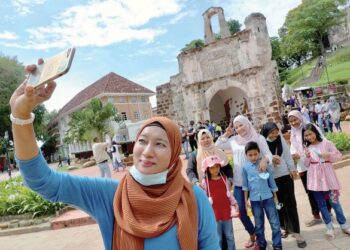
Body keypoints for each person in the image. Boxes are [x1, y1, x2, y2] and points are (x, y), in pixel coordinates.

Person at [10, 62, 220, 249]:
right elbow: (42, 182)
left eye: (160, 144)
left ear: (174, 154)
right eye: (142, 141)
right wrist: (21, 117)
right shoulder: (111, 196)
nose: (147, 151)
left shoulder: (193, 199)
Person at [215, 115, 272, 248]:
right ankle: (253, 233)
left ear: (247, 123)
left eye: (241, 125)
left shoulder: (258, 138)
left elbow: (268, 153)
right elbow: (218, 145)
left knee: (258, 213)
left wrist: (265, 160)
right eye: (236, 127)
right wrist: (226, 134)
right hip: (239, 183)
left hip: (255, 182)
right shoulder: (234, 140)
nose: (239, 129)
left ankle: (260, 241)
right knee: (240, 211)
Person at [260, 122, 307, 248]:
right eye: (272, 133)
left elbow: (286, 155)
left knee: (291, 203)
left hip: (285, 175)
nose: (275, 135)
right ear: (266, 132)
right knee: (278, 204)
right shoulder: (262, 142)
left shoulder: (280, 139)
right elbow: (260, 159)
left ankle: (296, 232)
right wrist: (270, 159)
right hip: (271, 178)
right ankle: (282, 227)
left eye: (276, 132)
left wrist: (292, 169)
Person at [303, 123, 350, 240]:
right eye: (306, 136)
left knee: (335, 203)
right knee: (321, 205)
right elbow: (306, 164)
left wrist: (328, 155)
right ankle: (329, 227)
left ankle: (344, 225)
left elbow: (338, 156)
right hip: (315, 182)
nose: (309, 137)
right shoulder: (307, 148)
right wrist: (307, 156)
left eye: (310, 134)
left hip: (329, 180)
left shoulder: (327, 143)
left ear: (315, 132)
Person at [288, 110, 331, 227]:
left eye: (295, 119)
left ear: (300, 117)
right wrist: (294, 153)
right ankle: (316, 215)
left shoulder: (310, 127)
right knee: (310, 192)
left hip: (316, 164)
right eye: (291, 121)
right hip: (303, 166)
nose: (293, 123)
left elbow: (322, 140)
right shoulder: (293, 133)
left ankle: (328, 211)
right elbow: (292, 146)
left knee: (323, 188)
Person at [242, 141, 282, 250]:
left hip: (268, 198)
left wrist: (276, 198)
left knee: (275, 223)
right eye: (250, 155)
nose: (253, 157)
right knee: (259, 225)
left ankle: (277, 246)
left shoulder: (264, 165)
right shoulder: (245, 168)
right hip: (254, 201)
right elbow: (245, 186)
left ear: (259, 153)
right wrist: (245, 201)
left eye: (255, 154)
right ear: (246, 155)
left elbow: (272, 182)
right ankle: (262, 245)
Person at [201, 155, 239, 250]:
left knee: (230, 235)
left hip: (226, 212)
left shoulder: (224, 179)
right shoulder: (205, 182)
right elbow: (204, 199)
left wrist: (235, 203)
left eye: (217, 166)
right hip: (214, 215)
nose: (215, 170)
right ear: (207, 169)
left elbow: (229, 194)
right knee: (218, 238)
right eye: (212, 168)